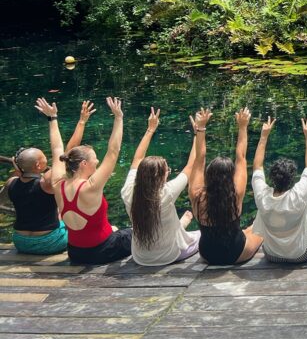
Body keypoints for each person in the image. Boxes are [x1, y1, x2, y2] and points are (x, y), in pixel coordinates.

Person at [3, 99, 93, 255]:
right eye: (43, 156)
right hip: (49, 243)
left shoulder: (11, 183)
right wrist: (58, 119)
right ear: (38, 166)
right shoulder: (47, 183)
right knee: (77, 222)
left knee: (58, 212)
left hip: (21, 242)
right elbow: (64, 151)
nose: (47, 158)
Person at [121, 107, 203, 266]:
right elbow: (190, 166)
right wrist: (197, 133)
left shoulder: (128, 190)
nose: (169, 173)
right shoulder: (166, 193)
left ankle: (182, 225)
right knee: (203, 235)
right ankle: (182, 228)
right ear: (160, 177)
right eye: (167, 171)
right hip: (169, 256)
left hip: (140, 257)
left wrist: (150, 129)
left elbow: (137, 159)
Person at [57, 97, 133, 264]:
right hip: (102, 251)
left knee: (113, 229)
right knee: (135, 232)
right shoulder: (91, 186)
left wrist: (81, 122)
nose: (98, 162)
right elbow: (113, 152)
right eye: (95, 159)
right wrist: (119, 118)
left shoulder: (59, 185)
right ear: (84, 164)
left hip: (75, 253)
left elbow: (62, 152)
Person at [190, 108, 263, 265]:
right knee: (261, 230)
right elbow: (241, 157)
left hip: (207, 254)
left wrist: (200, 128)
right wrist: (243, 126)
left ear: (208, 175)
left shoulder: (196, 195)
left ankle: (248, 230)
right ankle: (250, 230)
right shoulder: (236, 194)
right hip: (235, 252)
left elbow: (199, 159)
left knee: (249, 229)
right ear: (231, 177)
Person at [251, 116, 307, 263]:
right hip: (299, 255)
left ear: (272, 178)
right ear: (292, 179)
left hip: (271, 255)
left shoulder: (262, 196)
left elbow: (257, 166)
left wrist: (264, 136)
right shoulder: (297, 196)